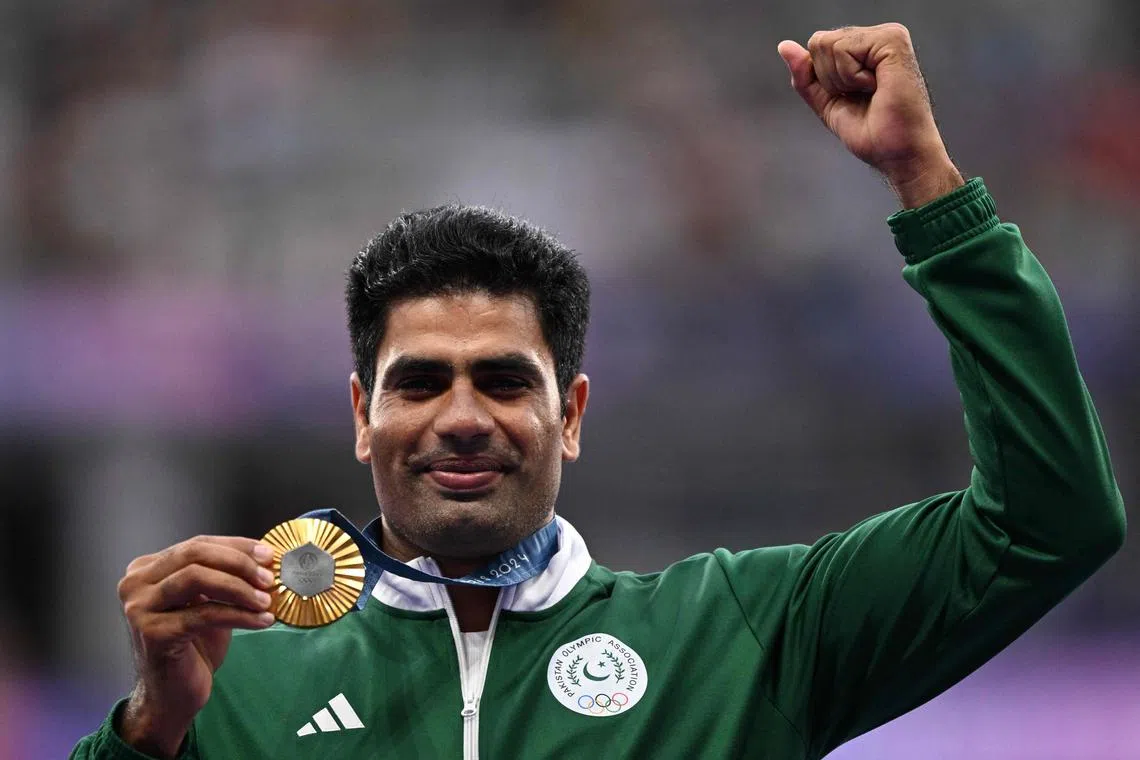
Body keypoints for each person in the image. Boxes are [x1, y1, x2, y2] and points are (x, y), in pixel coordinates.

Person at [71, 23, 1125, 760]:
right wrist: (149, 730)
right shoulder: (232, 689)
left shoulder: (741, 636)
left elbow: (1050, 520)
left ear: (569, 415)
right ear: (362, 416)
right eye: (421, 382)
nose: (462, 417)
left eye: (504, 380)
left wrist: (929, 189)